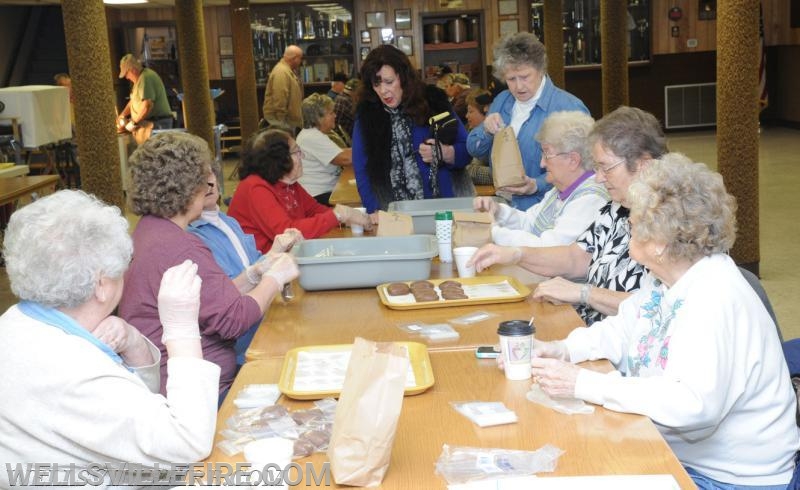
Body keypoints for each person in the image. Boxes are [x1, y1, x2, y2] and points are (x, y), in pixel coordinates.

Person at [528, 154, 800, 489]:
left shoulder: (715, 297)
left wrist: (583, 384)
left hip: (731, 479)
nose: (627, 231)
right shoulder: (670, 279)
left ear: (659, 242)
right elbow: (622, 329)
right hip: (684, 455)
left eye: (633, 223)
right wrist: (561, 349)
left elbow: (691, 405)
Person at [0, 190, 219, 481]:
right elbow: (188, 442)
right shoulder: (72, 369)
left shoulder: (17, 325)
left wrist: (134, 343)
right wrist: (181, 328)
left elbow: (125, 412)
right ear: (101, 284)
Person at [119, 131, 299, 399]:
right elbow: (234, 319)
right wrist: (275, 278)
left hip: (171, 386)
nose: (208, 188)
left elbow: (211, 299)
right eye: (203, 180)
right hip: (200, 395)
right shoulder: (180, 246)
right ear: (189, 187)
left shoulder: (150, 231)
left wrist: (254, 274)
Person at [469, 106, 666, 325]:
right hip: (594, 331)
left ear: (643, 165)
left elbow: (658, 307)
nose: (599, 178)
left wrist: (584, 293)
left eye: (606, 168)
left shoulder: (672, 223)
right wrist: (516, 255)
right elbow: (575, 257)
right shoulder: (616, 208)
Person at [188, 168, 302, 367]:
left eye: (211, 175)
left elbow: (253, 267)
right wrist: (271, 272)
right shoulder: (193, 238)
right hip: (243, 344)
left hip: (262, 323)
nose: (209, 184)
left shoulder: (228, 221)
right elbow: (225, 300)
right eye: (199, 179)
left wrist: (275, 252)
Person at [467, 32, 588, 211]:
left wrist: (536, 185)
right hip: (505, 205)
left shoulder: (569, 107)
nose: (518, 86)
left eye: (525, 77)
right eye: (511, 79)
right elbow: (474, 149)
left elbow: (584, 170)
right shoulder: (501, 101)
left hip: (549, 210)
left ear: (541, 70)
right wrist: (485, 129)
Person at [352, 45, 473, 213]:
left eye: (389, 82)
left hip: (444, 208)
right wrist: (373, 211)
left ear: (403, 77)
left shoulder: (433, 102)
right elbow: (362, 170)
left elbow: (467, 150)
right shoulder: (367, 115)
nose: (383, 90)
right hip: (393, 213)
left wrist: (444, 153)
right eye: (376, 84)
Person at [474, 111, 608, 248]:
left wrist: (495, 232)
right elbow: (529, 223)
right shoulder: (560, 190)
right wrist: (498, 211)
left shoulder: (591, 199)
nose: (542, 164)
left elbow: (549, 248)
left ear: (573, 160)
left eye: (547, 154)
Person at [228, 129, 371, 252]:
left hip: (287, 258)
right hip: (263, 266)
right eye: (297, 152)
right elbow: (287, 234)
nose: (302, 157)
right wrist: (338, 215)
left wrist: (354, 216)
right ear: (279, 159)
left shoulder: (287, 182)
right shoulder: (256, 188)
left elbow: (315, 209)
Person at [297, 93, 353, 206]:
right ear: (318, 118)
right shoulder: (312, 137)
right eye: (331, 113)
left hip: (324, 191)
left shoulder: (313, 134)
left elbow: (341, 152)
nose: (335, 116)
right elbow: (346, 159)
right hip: (318, 196)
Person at [116, 54, 173, 133]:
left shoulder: (146, 78)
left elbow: (147, 106)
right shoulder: (138, 81)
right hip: (152, 124)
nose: (126, 77)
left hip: (157, 124)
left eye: (126, 74)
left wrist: (134, 122)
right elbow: (132, 102)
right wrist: (122, 115)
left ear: (133, 70)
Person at [262, 45, 304, 133]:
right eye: (300, 58)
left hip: (287, 122)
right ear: (294, 58)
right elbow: (280, 98)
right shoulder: (281, 72)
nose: (301, 61)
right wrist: (281, 125)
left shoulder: (288, 71)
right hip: (282, 123)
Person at [464, 88, 494, 187]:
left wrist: (468, 170)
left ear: (485, 111)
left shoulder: (491, 137)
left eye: (470, 111)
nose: (466, 116)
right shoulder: (473, 133)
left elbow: (496, 174)